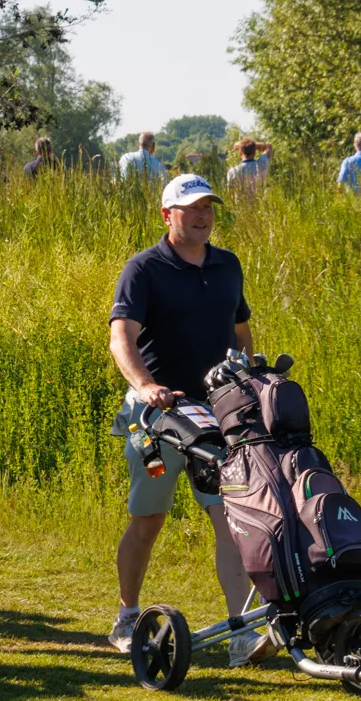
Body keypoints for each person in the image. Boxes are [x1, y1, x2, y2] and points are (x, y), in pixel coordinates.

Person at [106, 172, 272, 666]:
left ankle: (241, 633)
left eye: (208, 208)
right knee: (148, 519)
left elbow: (240, 330)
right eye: (192, 208)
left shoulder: (227, 266)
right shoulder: (144, 269)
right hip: (158, 418)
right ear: (167, 215)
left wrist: (250, 379)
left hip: (218, 414)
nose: (203, 216)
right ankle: (127, 614)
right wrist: (145, 386)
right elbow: (122, 339)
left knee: (231, 519)